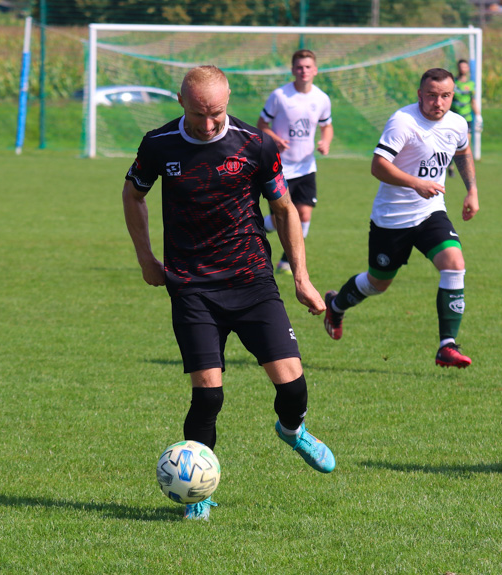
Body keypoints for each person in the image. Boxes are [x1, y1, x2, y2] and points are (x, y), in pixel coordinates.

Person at [122, 65, 336, 520]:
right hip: (192, 285)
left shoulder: (255, 145)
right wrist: (145, 258)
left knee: (294, 386)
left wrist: (301, 277)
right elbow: (133, 194)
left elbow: (283, 208)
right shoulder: (159, 145)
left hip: (252, 280)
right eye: (198, 113)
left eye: (216, 112)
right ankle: (196, 493)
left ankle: (293, 430)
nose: (207, 123)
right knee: (209, 394)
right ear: (181, 102)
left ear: (228, 102)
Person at [323, 68, 480, 369]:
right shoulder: (403, 121)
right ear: (420, 94)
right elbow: (378, 166)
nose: (438, 102)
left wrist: (472, 190)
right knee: (377, 283)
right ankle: (336, 303)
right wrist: (415, 183)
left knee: (454, 263)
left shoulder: (457, 123)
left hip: (430, 212)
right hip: (392, 219)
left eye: (445, 96)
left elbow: (463, 152)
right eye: (432, 95)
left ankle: (447, 346)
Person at [258, 49, 334, 275]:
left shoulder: (321, 98)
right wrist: (275, 139)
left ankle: (286, 260)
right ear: (293, 70)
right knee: (281, 214)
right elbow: (261, 125)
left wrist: (325, 142)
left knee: (304, 214)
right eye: (299, 67)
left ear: (316, 70)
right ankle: (256, 228)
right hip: (280, 167)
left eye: (308, 67)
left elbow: (326, 125)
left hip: (306, 166)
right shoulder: (280, 96)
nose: (304, 71)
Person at [449, 59, 481, 176]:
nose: (463, 69)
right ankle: (450, 165)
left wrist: (478, 116)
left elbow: (473, 101)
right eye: (461, 67)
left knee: (465, 143)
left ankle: (466, 168)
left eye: (465, 67)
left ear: (468, 69)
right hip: (453, 118)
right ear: (458, 68)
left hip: (466, 119)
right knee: (451, 143)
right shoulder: (453, 83)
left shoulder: (471, 85)